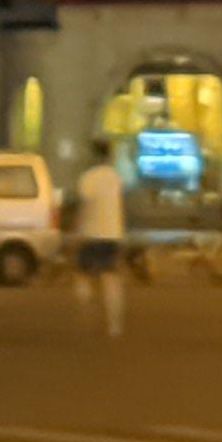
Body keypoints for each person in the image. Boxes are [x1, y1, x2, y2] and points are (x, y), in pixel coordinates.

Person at [70, 142, 132, 335]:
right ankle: (115, 325)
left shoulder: (88, 178)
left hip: (90, 233)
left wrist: (76, 231)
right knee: (111, 277)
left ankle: (86, 316)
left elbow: (83, 206)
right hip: (113, 233)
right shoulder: (116, 178)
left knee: (82, 276)